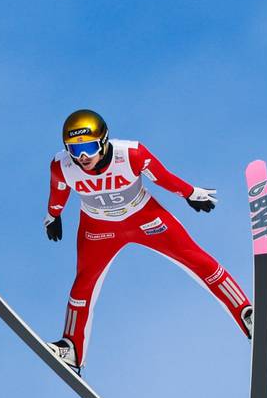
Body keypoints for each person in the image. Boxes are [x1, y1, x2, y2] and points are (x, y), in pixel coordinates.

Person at [44, 109, 253, 374]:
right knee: (83, 284)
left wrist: (191, 193)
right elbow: (58, 190)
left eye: (88, 147)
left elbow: (162, 176)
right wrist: (53, 216)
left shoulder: (130, 154)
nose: (83, 157)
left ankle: (245, 312)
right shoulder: (61, 165)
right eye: (75, 150)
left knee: (196, 258)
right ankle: (72, 348)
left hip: (145, 218)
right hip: (98, 228)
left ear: (104, 141)